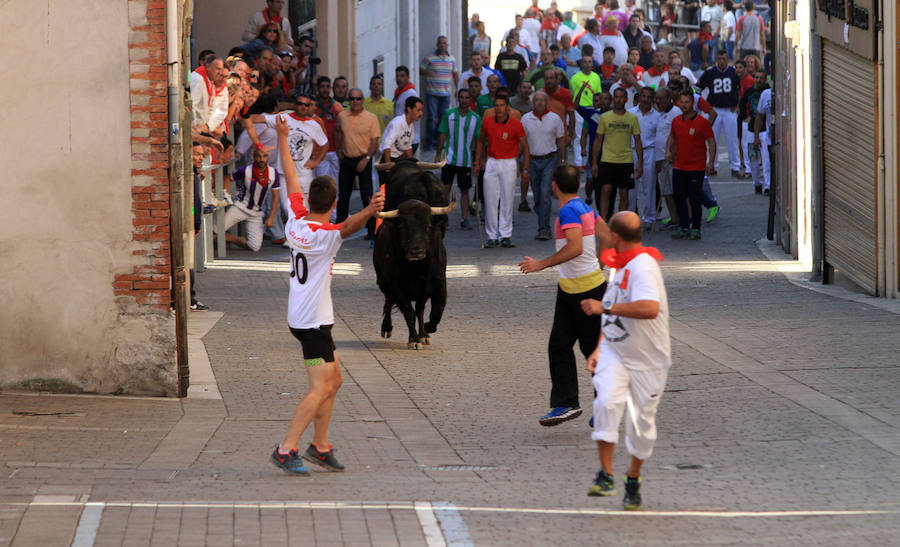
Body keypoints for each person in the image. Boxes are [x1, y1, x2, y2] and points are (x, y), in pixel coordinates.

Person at [269, 114, 385, 476]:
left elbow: (290, 176)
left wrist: (283, 138)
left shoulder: (297, 220)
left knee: (335, 381)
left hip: (314, 317)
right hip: (309, 323)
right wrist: (370, 208)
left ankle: (320, 446)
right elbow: (349, 227)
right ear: (334, 204)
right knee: (320, 387)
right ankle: (285, 448)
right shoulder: (326, 235)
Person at [581, 210, 669, 512]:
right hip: (615, 352)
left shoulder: (643, 267)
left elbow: (649, 308)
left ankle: (633, 478)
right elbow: (613, 316)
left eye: (606, 232)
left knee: (641, 424)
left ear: (616, 237)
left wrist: (602, 304)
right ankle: (605, 475)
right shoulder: (618, 266)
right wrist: (598, 348)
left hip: (648, 360)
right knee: (605, 403)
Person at [518, 164, 612, 427]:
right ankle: (577, 406)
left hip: (581, 292)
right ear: (578, 185)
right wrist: (600, 265)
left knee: (570, 348)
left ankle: (570, 404)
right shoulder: (585, 208)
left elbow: (576, 247)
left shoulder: (568, 210)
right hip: (577, 288)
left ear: (554, 186)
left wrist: (541, 264)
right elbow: (607, 236)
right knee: (569, 347)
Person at [248, 94, 328, 221]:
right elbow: (257, 119)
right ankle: (298, 234)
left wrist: (316, 161)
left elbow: (324, 144)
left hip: (304, 174)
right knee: (288, 208)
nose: (302, 107)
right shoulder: (283, 118)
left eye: (306, 105)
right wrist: (242, 112)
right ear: (295, 105)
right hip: (284, 174)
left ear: (309, 107)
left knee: (306, 208)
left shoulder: (314, 125)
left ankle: (301, 237)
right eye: (300, 103)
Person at [475, 92, 529, 248]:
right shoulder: (487, 122)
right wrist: (477, 162)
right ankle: (492, 236)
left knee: (507, 199)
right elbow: (480, 142)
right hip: (492, 162)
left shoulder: (516, 124)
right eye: (496, 105)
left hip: (509, 163)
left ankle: (505, 235)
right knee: (490, 199)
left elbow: (525, 147)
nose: (498, 109)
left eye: (502, 105)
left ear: (507, 107)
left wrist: (525, 168)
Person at [666, 90, 716, 240]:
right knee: (679, 197)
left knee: (694, 198)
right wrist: (668, 150)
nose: (684, 105)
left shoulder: (702, 122)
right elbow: (672, 136)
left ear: (692, 103)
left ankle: (695, 228)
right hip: (679, 165)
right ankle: (684, 226)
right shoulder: (676, 121)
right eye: (681, 102)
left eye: (687, 102)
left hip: (696, 166)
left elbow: (711, 142)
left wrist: (711, 162)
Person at [591, 87, 642, 221]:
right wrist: (595, 162)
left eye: (621, 97)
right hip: (608, 159)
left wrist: (640, 163)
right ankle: (603, 219)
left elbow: (637, 141)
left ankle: (620, 222)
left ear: (626, 99)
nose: (618, 100)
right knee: (606, 189)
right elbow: (598, 140)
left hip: (626, 160)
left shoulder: (632, 118)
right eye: (616, 97)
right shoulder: (604, 117)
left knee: (624, 193)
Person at [521, 91, 567, 241]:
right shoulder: (525, 119)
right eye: (536, 100)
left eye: (542, 100)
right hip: (532, 160)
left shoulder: (555, 118)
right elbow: (522, 143)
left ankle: (544, 229)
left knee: (545, 193)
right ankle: (542, 218)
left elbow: (561, 141)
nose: (539, 103)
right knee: (538, 196)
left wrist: (563, 161)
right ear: (533, 103)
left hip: (550, 160)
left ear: (547, 103)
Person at [336, 87, 381, 238]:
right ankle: (339, 229)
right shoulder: (342, 116)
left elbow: (374, 141)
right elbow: (336, 132)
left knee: (366, 196)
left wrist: (367, 159)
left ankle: (371, 230)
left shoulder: (371, 117)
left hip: (364, 159)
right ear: (349, 101)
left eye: (358, 98)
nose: (355, 101)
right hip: (347, 159)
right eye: (352, 98)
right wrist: (339, 151)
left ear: (363, 100)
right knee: (343, 196)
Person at [436, 88, 482, 231]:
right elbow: (443, 134)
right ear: (457, 98)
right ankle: (443, 218)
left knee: (465, 191)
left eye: (467, 97)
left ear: (471, 99)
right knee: (445, 189)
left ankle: (464, 218)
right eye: (461, 97)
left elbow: (478, 140)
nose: (464, 100)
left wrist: (478, 160)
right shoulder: (449, 114)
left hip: (466, 160)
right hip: (449, 159)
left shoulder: (476, 118)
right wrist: (438, 153)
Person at [223, 147, 280, 251]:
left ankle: (231, 238)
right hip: (240, 207)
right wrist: (227, 196)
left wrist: (271, 217)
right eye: (258, 156)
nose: (261, 159)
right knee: (215, 230)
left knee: (255, 247)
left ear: (268, 157)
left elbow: (276, 196)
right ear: (253, 157)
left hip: (256, 213)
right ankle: (220, 236)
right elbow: (227, 177)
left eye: (264, 156)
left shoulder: (273, 173)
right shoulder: (245, 170)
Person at [698, 50, 741, 176]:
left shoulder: (734, 72)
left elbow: (742, 88)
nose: (721, 61)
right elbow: (698, 88)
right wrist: (704, 107)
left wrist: (738, 104)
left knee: (732, 139)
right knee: (712, 138)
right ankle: (712, 165)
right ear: (716, 59)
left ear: (728, 59)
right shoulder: (710, 72)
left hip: (730, 109)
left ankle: (735, 166)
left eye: (724, 58)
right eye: (719, 58)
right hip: (714, 110)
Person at [420, 36, 459, 151]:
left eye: (445, 43)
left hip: (445, 94)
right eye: (441, 43)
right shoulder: (430, 58)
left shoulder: (451, 59)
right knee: (432, 118)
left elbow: (455, 74)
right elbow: (420, 69)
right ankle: (429, 143)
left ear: (447, 45)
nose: (443, 45)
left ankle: (439, 142)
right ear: (437, 45)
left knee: (443, 119)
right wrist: (427, 72)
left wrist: (458, 88)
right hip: (432, 93)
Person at [576, 86, 612, 208]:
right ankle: (599, 208)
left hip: (611, 153)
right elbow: (575, 105)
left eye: (606, 99)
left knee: (609, 185)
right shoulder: (592, 114)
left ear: (610, 101)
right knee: (596, 183)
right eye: (600, 99)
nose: (602, 101)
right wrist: (581, 90)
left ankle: (609, 210)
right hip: (595, 153)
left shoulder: (616, 114)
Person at [628, 87, 660, 226]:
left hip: (650, 151)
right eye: (643, 96)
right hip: (632, 151)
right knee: (631, 186)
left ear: (652, 99)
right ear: (639, 97)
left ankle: (649, 217)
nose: (646, 99)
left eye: (649, 97)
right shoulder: (630, 114)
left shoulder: (657, 116)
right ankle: (630, 216)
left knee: (649, 185)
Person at [653, 87, 683, 228]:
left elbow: (678, 135)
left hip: (672, 159)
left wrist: (673, 153)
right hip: (660, 159)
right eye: (657, 98)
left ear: (669, 98)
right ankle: (674, 218)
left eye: (661, 98)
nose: (659, 101)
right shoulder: (660, 113)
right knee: (666, 192)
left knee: (677, 190)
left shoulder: (675, 113)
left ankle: (683, 218)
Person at [739, 70, 769, 194]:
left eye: (761, 77)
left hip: (765, 131)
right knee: (753, 159)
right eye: (756, 77)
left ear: (765, 79)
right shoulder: (749, 91)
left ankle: (768, 185)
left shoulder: (768, 92)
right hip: (751, 130)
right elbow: (741, 104)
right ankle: (757, 183)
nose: (759, 80)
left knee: (766, 160)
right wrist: (745, 117)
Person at [313, 76, 344, 185]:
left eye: (327, 87)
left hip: (335, 151)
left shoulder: (337, 106)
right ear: (317, 88)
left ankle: (335, 203)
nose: (325, 90)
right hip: (319, 151)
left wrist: (341, 150)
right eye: (322, 87)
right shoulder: (312, 106)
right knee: (322, 184)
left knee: (336, 185)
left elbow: (342, 130)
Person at [191, 55, 229, 137]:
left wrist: (208, 126)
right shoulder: (198, 78)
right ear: (208, 66)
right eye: (217, 69)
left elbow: (212, 108)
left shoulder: (210, 80)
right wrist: (195, 125)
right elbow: (191, 105)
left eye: (221, 69)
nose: (219, 72)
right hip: (194, 127)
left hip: (202, 127)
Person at [380, 96, 423, 165]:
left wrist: (413, 165)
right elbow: (386, 146)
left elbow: (408, 147)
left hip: (398, 159)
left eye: (421, 110)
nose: (421, 114)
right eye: (418, 110)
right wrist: (388, 168)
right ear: (409, 109)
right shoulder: (397, 123)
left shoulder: (411, 125)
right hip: (386, 159)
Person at [393, 66, 421, 153]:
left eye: (402, 76)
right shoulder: (399, 93)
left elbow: (415, 116)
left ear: (408, 77)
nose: (399, 79)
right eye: (397, 76)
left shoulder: (410, 94)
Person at [754, 83, 773, 195]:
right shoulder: (766, 94)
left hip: (783, 134)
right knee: (766, 161)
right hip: (769, 134)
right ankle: (768, 185)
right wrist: (756, 137)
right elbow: (760, 115)